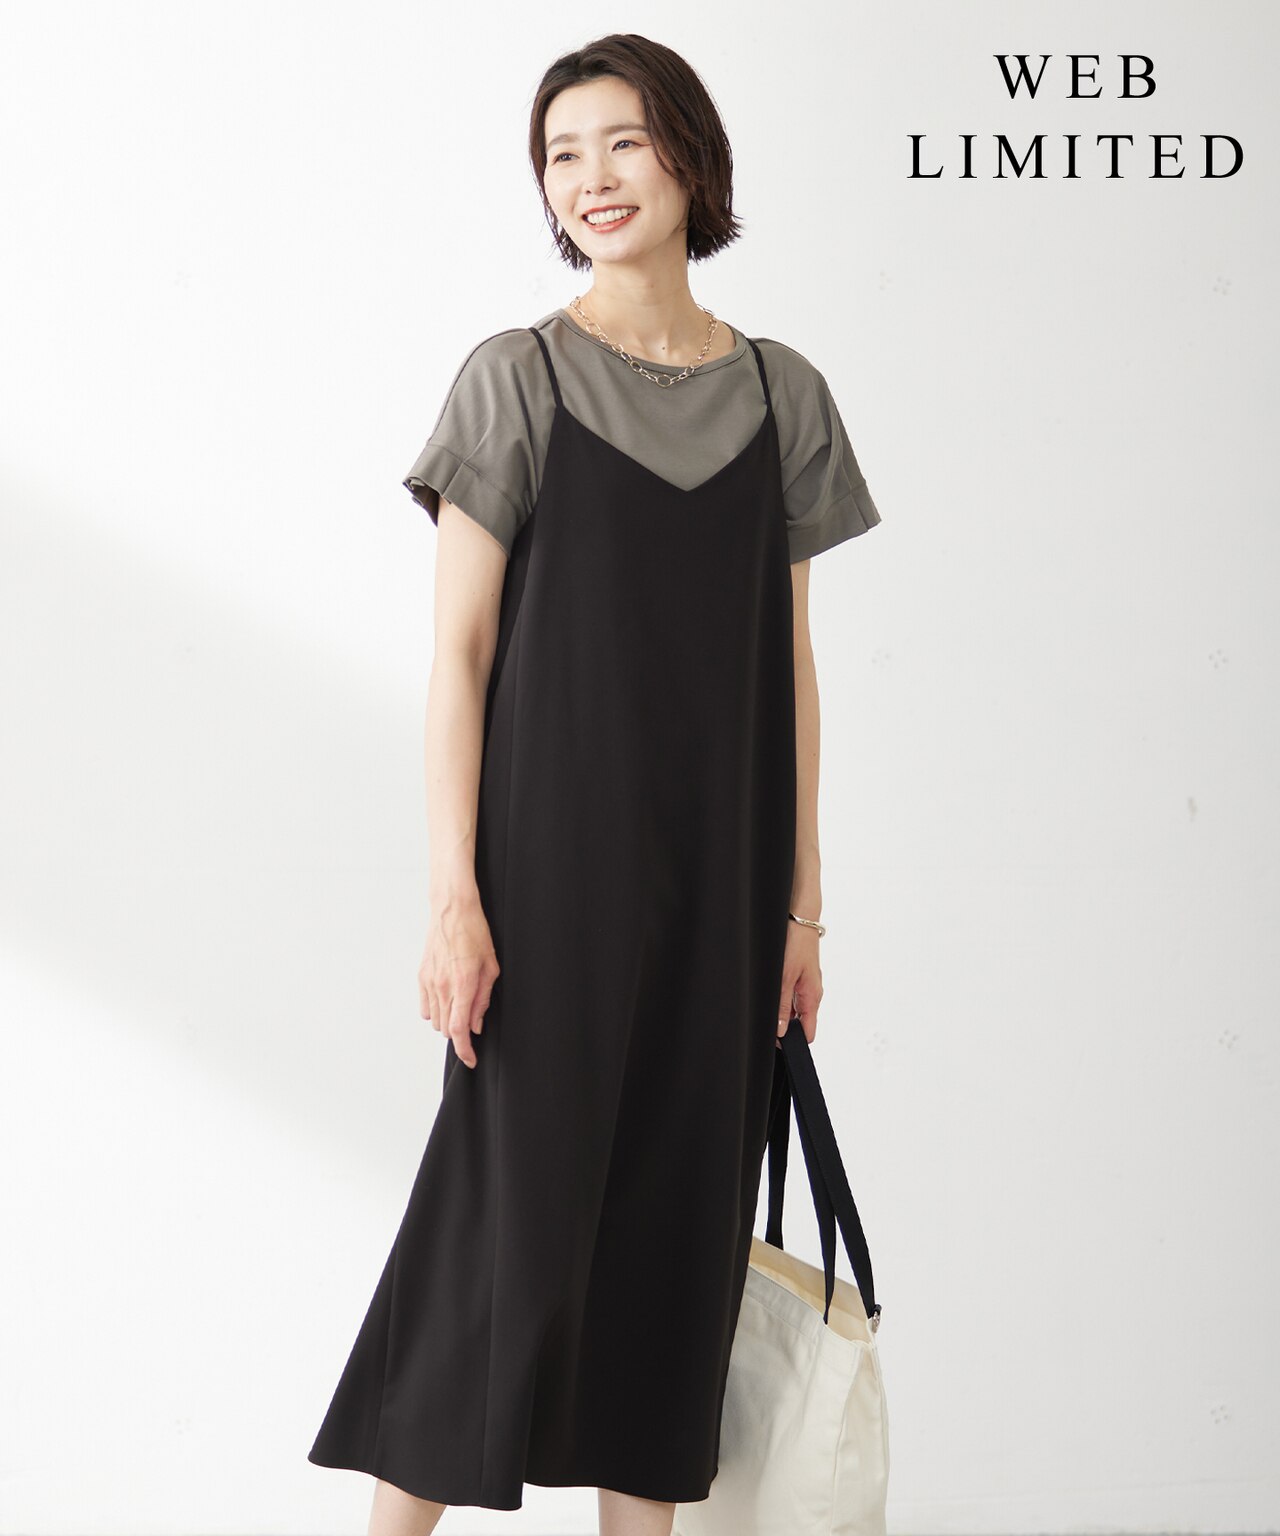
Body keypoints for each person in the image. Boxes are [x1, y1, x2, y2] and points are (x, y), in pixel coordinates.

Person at [308, 32, 883, 1536]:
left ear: (690, 155)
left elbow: (791, 668)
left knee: (675, 1259)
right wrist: (454, 898)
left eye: (622, 141)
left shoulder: (785, 395)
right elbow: (460, 658)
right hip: (546, 887)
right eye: (562, 155)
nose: (591, 178)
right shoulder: (516, 380)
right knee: (494, 1252)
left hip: (725, 892)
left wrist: (802, 909)